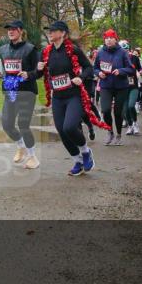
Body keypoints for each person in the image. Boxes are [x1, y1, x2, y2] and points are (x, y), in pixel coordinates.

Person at [37, 21, 108, 177]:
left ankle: (86, 152)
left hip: (73, 95)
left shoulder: (72, 50)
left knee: (69, 127)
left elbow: (89, 68)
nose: (50, 33)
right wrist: (37, 69)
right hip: (57, 97)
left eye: (53, 30)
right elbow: (38, 74)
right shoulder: (46, 52)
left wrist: (80, 78)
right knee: (61, 131)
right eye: (49, 31)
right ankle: (78, 161)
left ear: (62, 33)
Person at [0, 20, 40, 169]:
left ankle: (33, 157)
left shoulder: (30, 49)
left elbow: (39, 71)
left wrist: (29, 74)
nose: (10, 32)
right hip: (10, 92)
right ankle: (21, 146)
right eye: (8, 29)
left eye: (13, 29)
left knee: (23, 125)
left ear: (20, 31)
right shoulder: (3, 49)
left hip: (27, 92)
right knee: (7, 124)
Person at [93, 29, 135, 146]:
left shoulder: (122, 52)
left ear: (115, 39)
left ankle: (119, 135)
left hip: (121, 86)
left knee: (117, 112)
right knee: (106, 110)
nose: (108, 40)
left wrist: (120, 71)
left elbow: (131, 69)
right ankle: (110, 132)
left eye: (111, 38)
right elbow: (95, 68)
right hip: (106, 85)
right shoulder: (100, 52)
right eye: (106, 38)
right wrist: (98, 73)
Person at [120, 39, 142, 135]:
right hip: (122, 87)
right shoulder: (118, 60)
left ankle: (135, 124)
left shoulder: (134, 58)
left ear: (128, 49)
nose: (124, 52)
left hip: (133, 86)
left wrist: (141, 72)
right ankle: (130, 126)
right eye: (122, 50)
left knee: (131, 106)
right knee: (125, 110)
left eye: (125, 50)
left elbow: (140, 69)